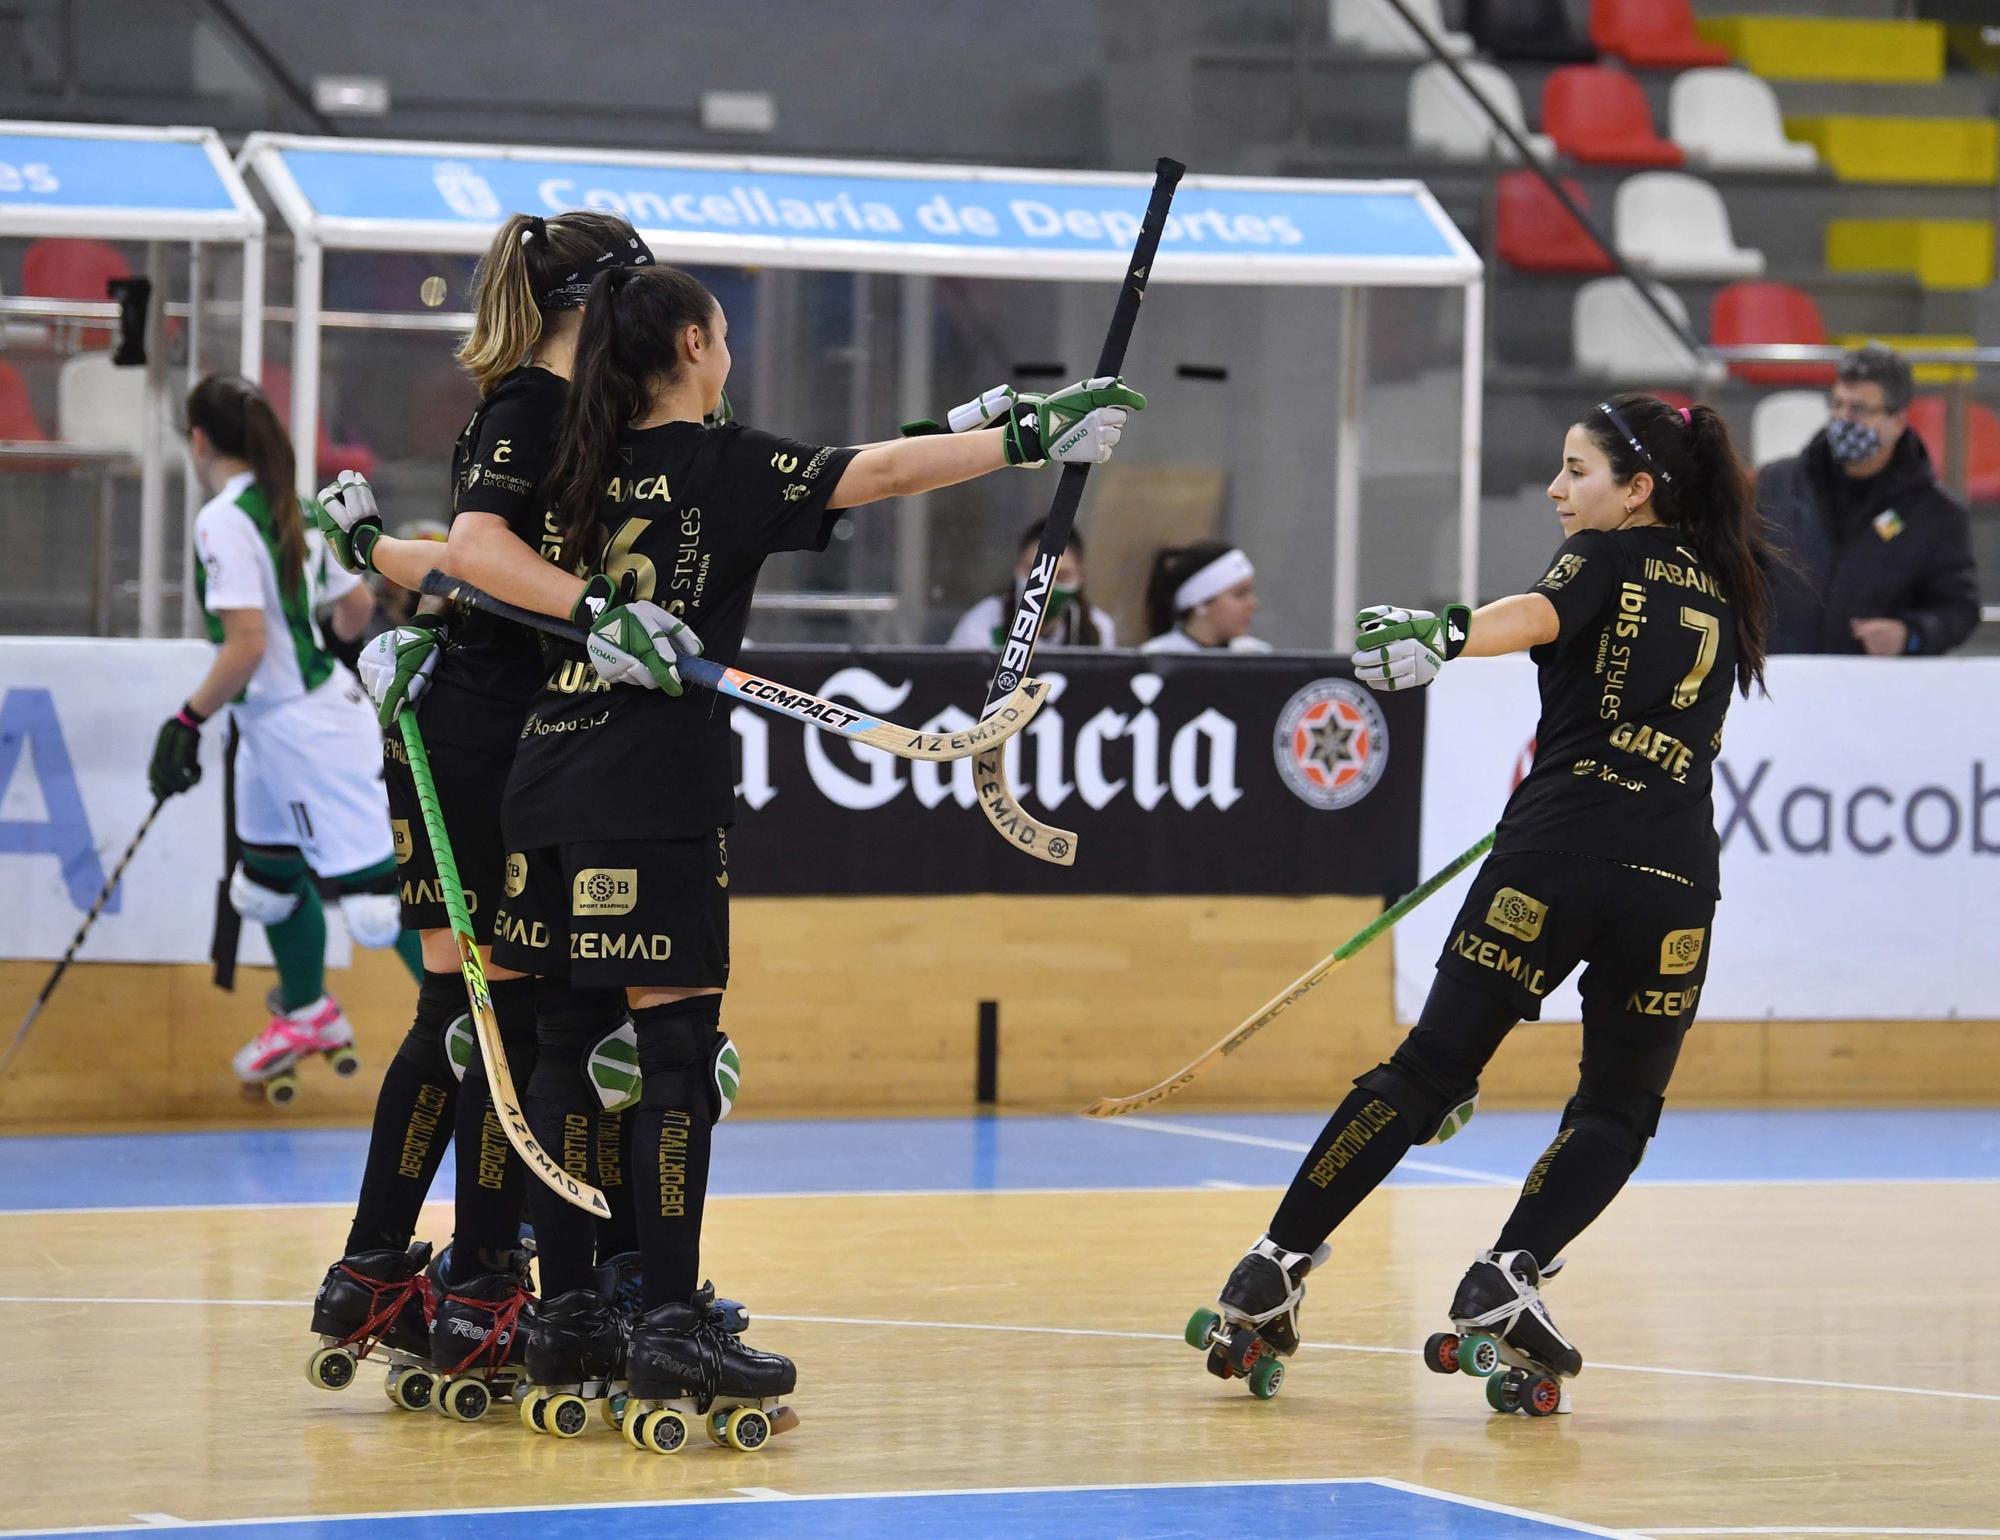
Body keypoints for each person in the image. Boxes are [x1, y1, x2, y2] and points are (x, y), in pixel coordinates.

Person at [493, 261, 1142, 1447]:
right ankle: (670, 1321)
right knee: (673, 1050)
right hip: (648, 781)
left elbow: (854, 467)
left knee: (567, 1042)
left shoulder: (573, 464)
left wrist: (990, 427)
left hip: (544, 778)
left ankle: (568, 1310)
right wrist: (1026, 437)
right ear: (692, 344)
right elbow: (872, 473)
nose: (728, 352)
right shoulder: (722, 462)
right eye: (724, 333)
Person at [1190, 394, 1772, 1417]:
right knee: (1616, 1111)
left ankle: (1273, 1263)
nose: (1557, 489)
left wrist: (1444, 631)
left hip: (1549, 860)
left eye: (1576, 471)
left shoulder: (1601, 554)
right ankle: (1508, 1273)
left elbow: (1535, 614)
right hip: (1672, 880)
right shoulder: (1724, 591)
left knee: (1424, 1074)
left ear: (1637, 490)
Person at [303, 209, 659, 1411]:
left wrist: (374, 553)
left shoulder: (547, 403)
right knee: (503, 1021)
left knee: (476, 1015)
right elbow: (484, 548)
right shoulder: (535, 407)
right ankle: (488, 1280)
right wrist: (598, 614)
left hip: (479, 720)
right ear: (604, 300)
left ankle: (399, 1270)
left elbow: (458, 560)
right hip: (488, 734)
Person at [149, 375, 422, 1108]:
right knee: (267, 877)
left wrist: (186, 720)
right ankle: (307, 1016)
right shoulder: (293, 504)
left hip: (305, 728)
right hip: (280, 725)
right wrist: (319, 657)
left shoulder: (222, 520)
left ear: (198, 439)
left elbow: (245, 642)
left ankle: (479, 1034)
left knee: (377, 901)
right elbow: (356, 605)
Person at [1756, 344, 1979, 656]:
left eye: (1859, 409)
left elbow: (1959, 609)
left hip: (1874, 690)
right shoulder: (1776, 483)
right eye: (1837, 404)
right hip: (1781, 682)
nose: (1843, 418)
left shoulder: (1936, 513)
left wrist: (1910, 634)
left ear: (1897, 421)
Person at [946, 518, 1116, 648]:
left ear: (1081, 577)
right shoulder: (983, 623)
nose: (1047, 587)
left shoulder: (1097, 629)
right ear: (1017, 569)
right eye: (1035, 574)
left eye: (1062, 576)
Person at [1140, 541, 1271, 653]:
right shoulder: (1157, 658)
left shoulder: (1258, 655)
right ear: (1200, 603)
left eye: (1250, 592)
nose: (1253, 604)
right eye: (1239, 594)